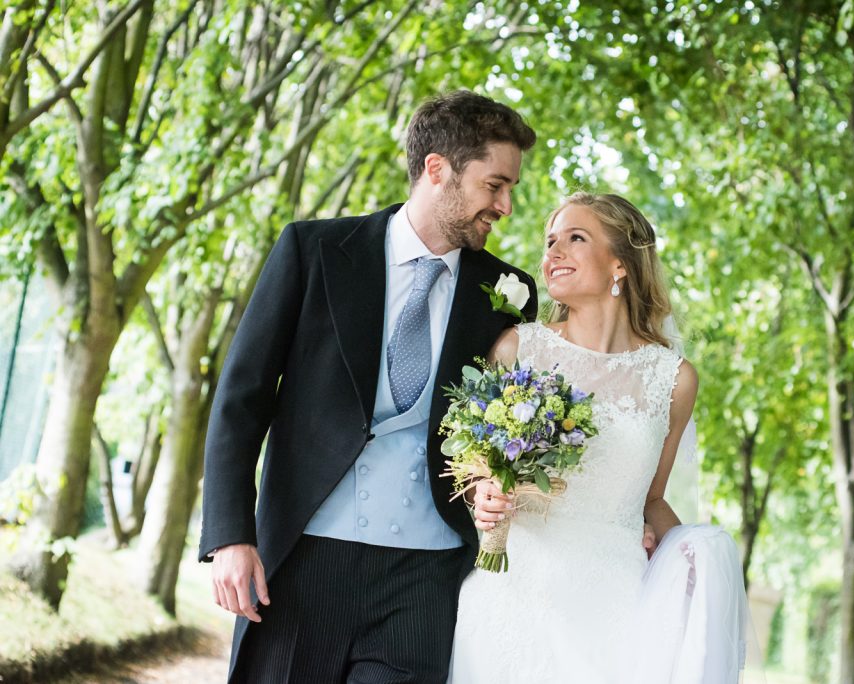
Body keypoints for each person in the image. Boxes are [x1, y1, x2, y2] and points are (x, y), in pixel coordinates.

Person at [198, 90, 538, 683]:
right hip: (304, 559)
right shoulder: (314, 250)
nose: (506, 205)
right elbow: (241, 398)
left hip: (428, 574)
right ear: (438, 169)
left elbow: (520, 425)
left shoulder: (510, 292)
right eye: (495, 185)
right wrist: (230, 535)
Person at [449, 192, 749, 683]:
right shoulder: (518, 348)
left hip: (615, 608)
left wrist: (694, 564)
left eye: (575, 238)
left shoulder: (673, 378)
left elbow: (651, 498)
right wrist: (480, 493)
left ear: (620, 265)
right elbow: (474, 469)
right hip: (512, 596)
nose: (553, 252)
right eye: (550, 241)